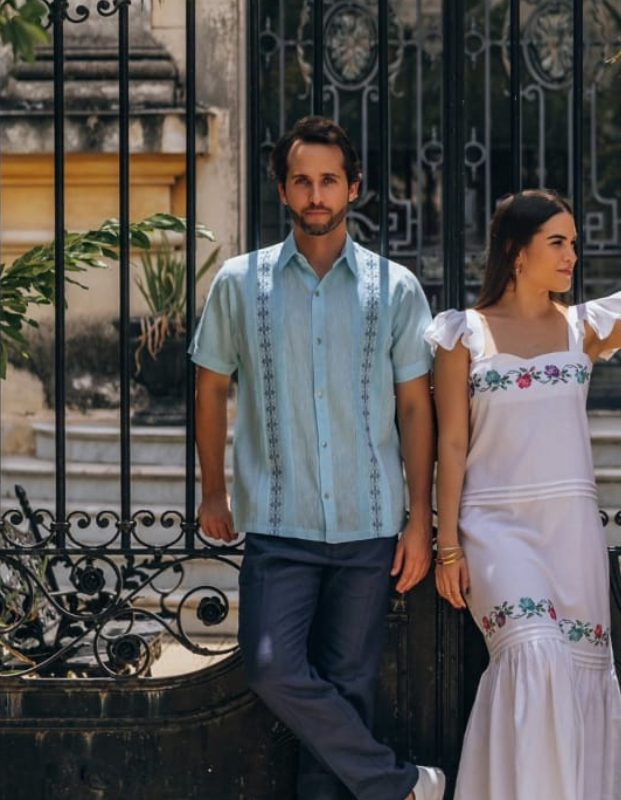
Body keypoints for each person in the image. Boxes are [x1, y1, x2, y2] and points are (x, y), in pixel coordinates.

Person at [426, 187, 621, 799]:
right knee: (534, 656)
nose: (571, 257)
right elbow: (450, 444)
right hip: (495, 528)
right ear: (516, 251)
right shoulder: (462, 334)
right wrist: (446, 544)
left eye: (575, 244)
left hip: (571, 532)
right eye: (557, 242)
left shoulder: (584, 327)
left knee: (576, 675)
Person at [190, 115, 445, 800]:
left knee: (348, 689)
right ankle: (401, 785)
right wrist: (213, 491)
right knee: (271, 668)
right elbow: (210, 386)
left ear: (353, 187)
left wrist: (420, 519)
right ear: (282, 189)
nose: (316, 194)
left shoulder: (394, 289)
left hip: (369, 525)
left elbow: (418, 408)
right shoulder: (240, 284)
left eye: (329, 180)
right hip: (280, 523)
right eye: (302, 180)